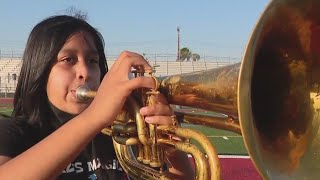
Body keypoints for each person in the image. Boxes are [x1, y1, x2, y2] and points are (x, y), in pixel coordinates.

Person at [0, 15, 193, 179]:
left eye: (93, 61)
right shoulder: (14, 132)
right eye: (68, 60)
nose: (85, 72)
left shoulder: (122, 135)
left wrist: (173, 149)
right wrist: (95, 116)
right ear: (40, 70)